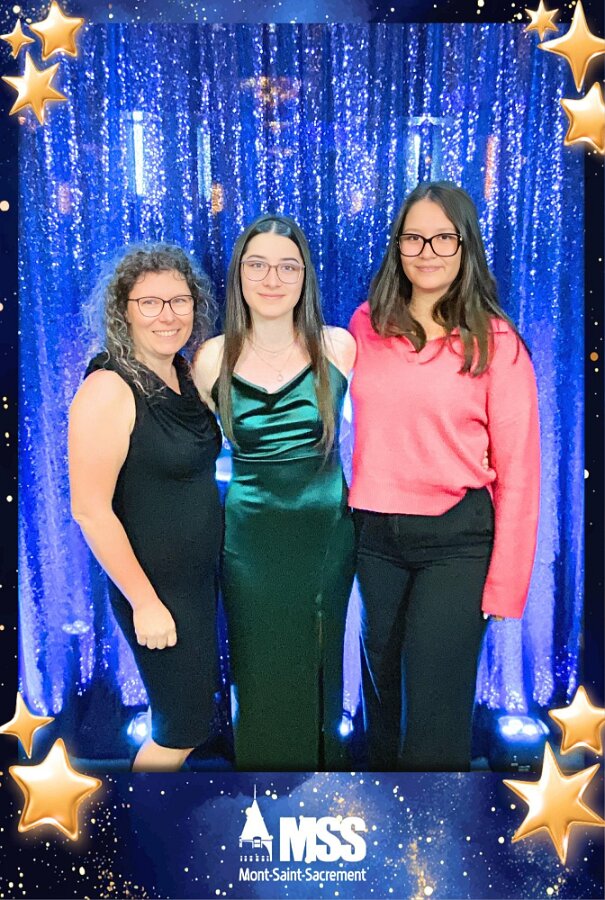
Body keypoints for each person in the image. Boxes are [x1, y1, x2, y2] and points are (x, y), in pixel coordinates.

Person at [349, 181, 540, 771]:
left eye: (442, 238)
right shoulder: (364, 326)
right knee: (381, 708)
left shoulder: (497, 342)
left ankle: (431, 828)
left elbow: (520, 473)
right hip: (374, 539)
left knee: (432, 719)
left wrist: (506, 585)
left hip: (456, 543)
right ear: (397, 246)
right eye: (414, 238)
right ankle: (383, 822)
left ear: (465, 246)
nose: (427, 251)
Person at [193, 213, 357, 770]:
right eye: (257, 264)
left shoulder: (339, 347)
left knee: (319, 668)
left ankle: (323, 789)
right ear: (238, 274)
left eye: (288, 266)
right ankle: (263, 792)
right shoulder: (210, 358)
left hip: (325, 540)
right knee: (259, 671)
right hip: (250, 543)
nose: (272, 278)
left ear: (305, 276)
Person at [68, 244, 223, 772]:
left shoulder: (184, 376)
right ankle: (138, 822)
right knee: (178, 732)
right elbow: (90, 509)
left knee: (189, 722)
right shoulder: (109, 387)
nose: (167, 315)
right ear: (124, 310)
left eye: (179, 301)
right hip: (156, 591)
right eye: (150, 302)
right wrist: (145, 603)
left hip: (197, 587)